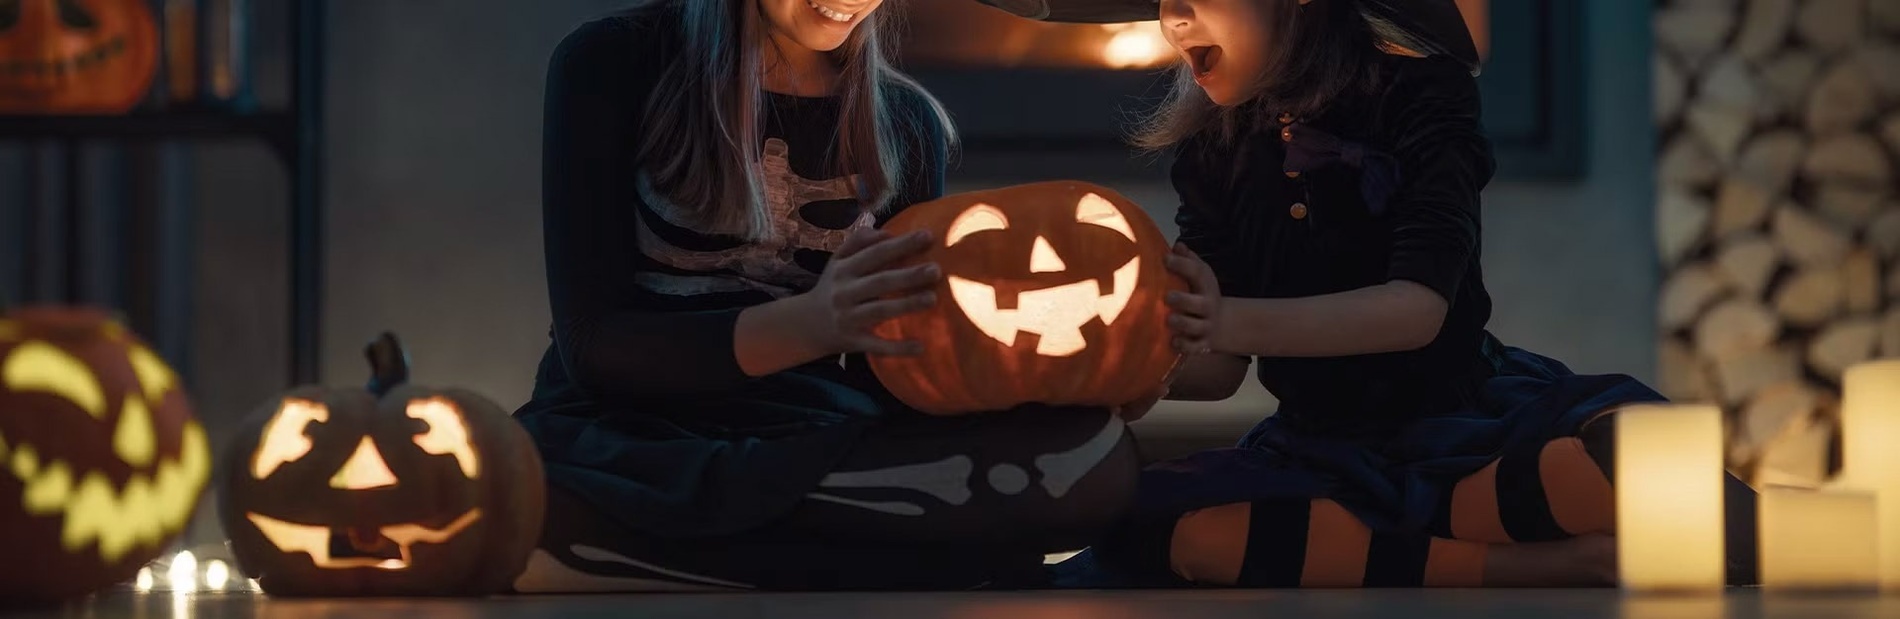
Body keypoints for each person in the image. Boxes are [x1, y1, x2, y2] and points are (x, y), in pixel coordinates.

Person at [976, 0, 1760, 588]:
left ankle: (1454, 528)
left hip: (1465, 425)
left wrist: (1227, 315)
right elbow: (1220, 368)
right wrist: (1128, 367)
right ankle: (1534, 566)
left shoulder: (1424, 96)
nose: (1175, 17)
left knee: (1632, 457)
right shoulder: (1216, 149)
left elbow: (1416, 311)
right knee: (1169, 533)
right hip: (1324, 450)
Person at [509, 0, 1144, 592]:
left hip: (815, 438)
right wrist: (814, 324)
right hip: (628, 431)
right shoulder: (611, 62)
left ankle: (639, 551)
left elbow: (895, 377)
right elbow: (594, 348)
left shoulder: (905, 121)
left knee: (1093, 461)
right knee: (519, 478)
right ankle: (891, 559)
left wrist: (1068, 371)